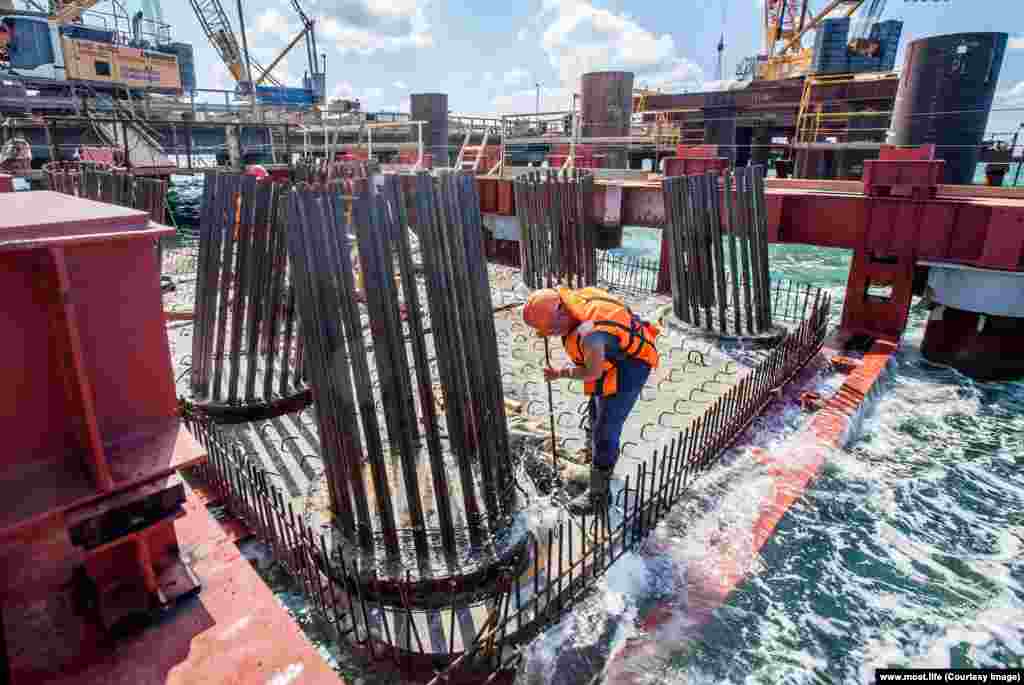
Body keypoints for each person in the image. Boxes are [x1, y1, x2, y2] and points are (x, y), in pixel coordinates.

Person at [522, 286, 660, 513]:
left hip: (631, 365)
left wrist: (560, 373)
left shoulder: (591, 335)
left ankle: (599, 497)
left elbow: (592, 373)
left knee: (606, 429)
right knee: (595, 411)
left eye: (552, 329)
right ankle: (594, 455)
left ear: (562, 313)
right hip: (610, 355)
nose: (552, 334)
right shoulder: (572, 306)